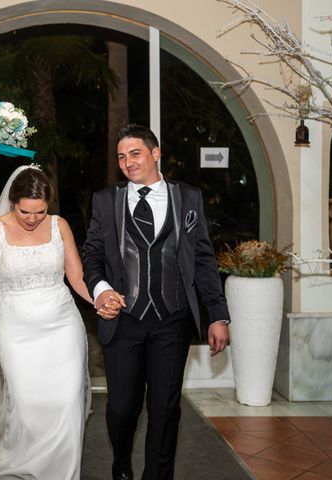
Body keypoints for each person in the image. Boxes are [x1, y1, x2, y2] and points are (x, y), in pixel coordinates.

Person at [82, 124, 230, 480]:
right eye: (121, 156)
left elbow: (204, 259)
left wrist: (217, 315)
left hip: (172, 319)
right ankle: (121, 467)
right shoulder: (106, 200)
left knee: (165, 409)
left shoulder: (188, 197)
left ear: (155, 152)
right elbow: (92, 254)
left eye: (135, 153)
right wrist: (101, 289)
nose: (128, 162)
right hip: (124, 320)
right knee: (121, 409)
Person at [0, 142, 93, 479]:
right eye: (25, 212)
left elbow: (76, 276)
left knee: (66, 404)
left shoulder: (59, 226)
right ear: (12, 204)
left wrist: (100, 299)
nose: (33, 219)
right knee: (29, 405)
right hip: (18, 333)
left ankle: (64, 472)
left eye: (40, 211)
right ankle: (24, 461)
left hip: (63, 328)